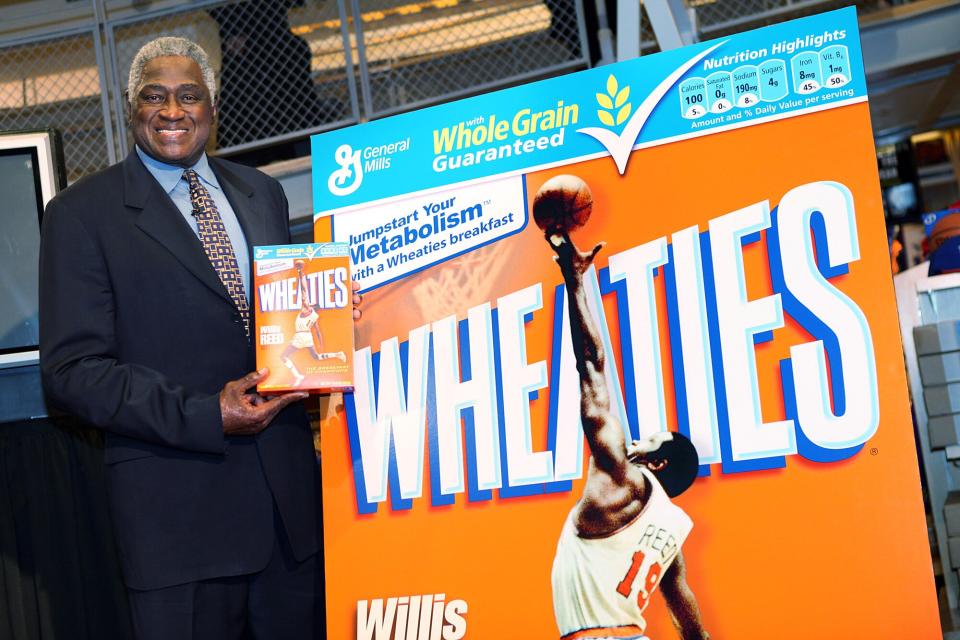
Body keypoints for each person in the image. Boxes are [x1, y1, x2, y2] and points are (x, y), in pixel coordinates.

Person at [39, 36, 357, 639]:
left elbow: (278, 320)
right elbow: (72, 372)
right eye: (153, 97)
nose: (172, 111)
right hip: (179, 531)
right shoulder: (81, 214)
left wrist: (333, 310)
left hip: (290, 522)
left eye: (189, 95)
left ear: (213, 105)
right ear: (131, 108)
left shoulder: (261, 191)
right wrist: (205, 414)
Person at [547, 230, 709, 640]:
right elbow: (683, 606)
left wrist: (575, 280)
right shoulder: (668, 527)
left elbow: (591, 364)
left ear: (657, 463)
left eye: (645, 442)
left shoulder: (619, 476)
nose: (633, 443)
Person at [283, 261, 346, 386]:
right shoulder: (315, 316)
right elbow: (317, 331)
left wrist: (300, 273)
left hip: (300, 336)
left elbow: (304, 289)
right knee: (316, 357)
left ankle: (298, 376)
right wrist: (321, 343)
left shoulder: (306, 308)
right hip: (308, 336)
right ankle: (338, 354)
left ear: (312, 306)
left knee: (283, 356)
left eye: (310, 303)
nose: (308, 303)